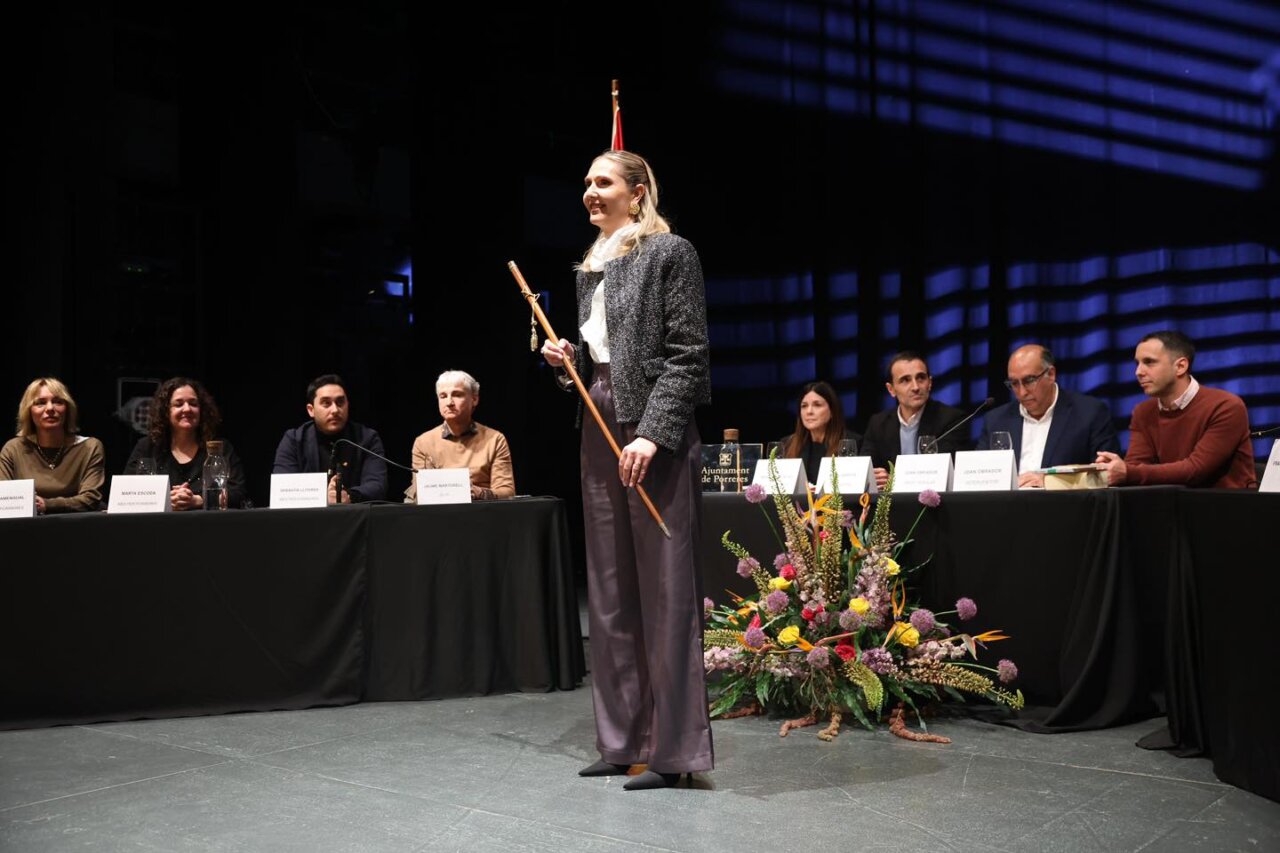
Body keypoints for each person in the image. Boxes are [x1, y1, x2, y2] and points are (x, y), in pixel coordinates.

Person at [541, 149, 713, 790]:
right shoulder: (591, 268)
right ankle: (622, 743)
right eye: (585, 182)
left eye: (602, 181)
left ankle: (673, 756)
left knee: (666, 593)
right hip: (598, 424)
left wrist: (652, 436)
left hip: (652, 435)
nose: (589, 191)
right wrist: (570, 368)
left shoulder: (672, 253)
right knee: (609, 593)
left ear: (637, 193)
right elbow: (599, 371)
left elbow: (688, 357)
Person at [1095, 331, 1255, 488]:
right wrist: (1115, 469)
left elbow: (1197, 470)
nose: (1138, 372)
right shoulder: (1143, 412)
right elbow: (1136, 465)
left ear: (1180, 366)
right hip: (1171, 507)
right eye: (1137, 363)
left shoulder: (1225, 406)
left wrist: (1128, 472)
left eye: (1149, 362)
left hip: (1227, 508)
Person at [978, 344, 1120, 487]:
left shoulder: (1090, 413)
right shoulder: (996, 420)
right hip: (1007, 506)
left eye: (1029, 381)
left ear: (1051, 374)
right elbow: (980, 477)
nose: (1021, 392)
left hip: (1065, 506)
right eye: (1014, 383)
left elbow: (1106, 474)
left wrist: (1050, 482)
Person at [124, 377, 247, 510]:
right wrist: (164, 500)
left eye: (193, 403)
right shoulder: (147, 447)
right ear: (166, 411)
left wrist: (199, 500)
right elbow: (127, 492)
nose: (187, 409)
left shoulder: (219, 447)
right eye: (178, 404)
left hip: (208, 526)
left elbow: (238, 492)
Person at [273, 374, 388, 503]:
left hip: (355, 517)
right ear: (311, 410)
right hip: (307, 519)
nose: (335, 410)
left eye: (340, 402)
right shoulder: (294, 440)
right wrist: (322, 497)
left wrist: (350, 496)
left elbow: (377, 485)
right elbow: (283, 487)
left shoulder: (367, 438)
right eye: (326, 403)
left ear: (348, 405)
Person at [861, 351, 969, 489]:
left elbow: (945, 473)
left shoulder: (952, 419)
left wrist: (894, 481)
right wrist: (874, 476)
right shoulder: (878, 423)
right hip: (890, 506)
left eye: (921, 378)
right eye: (905, 380)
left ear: (929, 383)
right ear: (891, 389)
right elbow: (866, 469)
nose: (915, 387)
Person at [403, 370, 514, 502]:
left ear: (474, 399)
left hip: (482, 513)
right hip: (438, 516)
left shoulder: (495, 439)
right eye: (443, 396)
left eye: (457, 395)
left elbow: (507, 493)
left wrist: (479, 493)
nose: (449, 402)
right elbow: (420, 493)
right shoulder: (423, 442)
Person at [0, 377, 105, 513]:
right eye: (40, 403)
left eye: (57, 402)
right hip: (26, 528)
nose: (50, 408)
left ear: (67, 409)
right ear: (29, 411)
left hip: (77, 526)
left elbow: (91, 499)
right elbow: (4, 498)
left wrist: (47, 505)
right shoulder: (13, 448)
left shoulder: (90, 447)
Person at [778, 381, 858, 486]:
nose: (809, 411)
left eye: (817, 405)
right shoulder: (787, 444)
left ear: (832, 411)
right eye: (804, 406)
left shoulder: (852, 443)